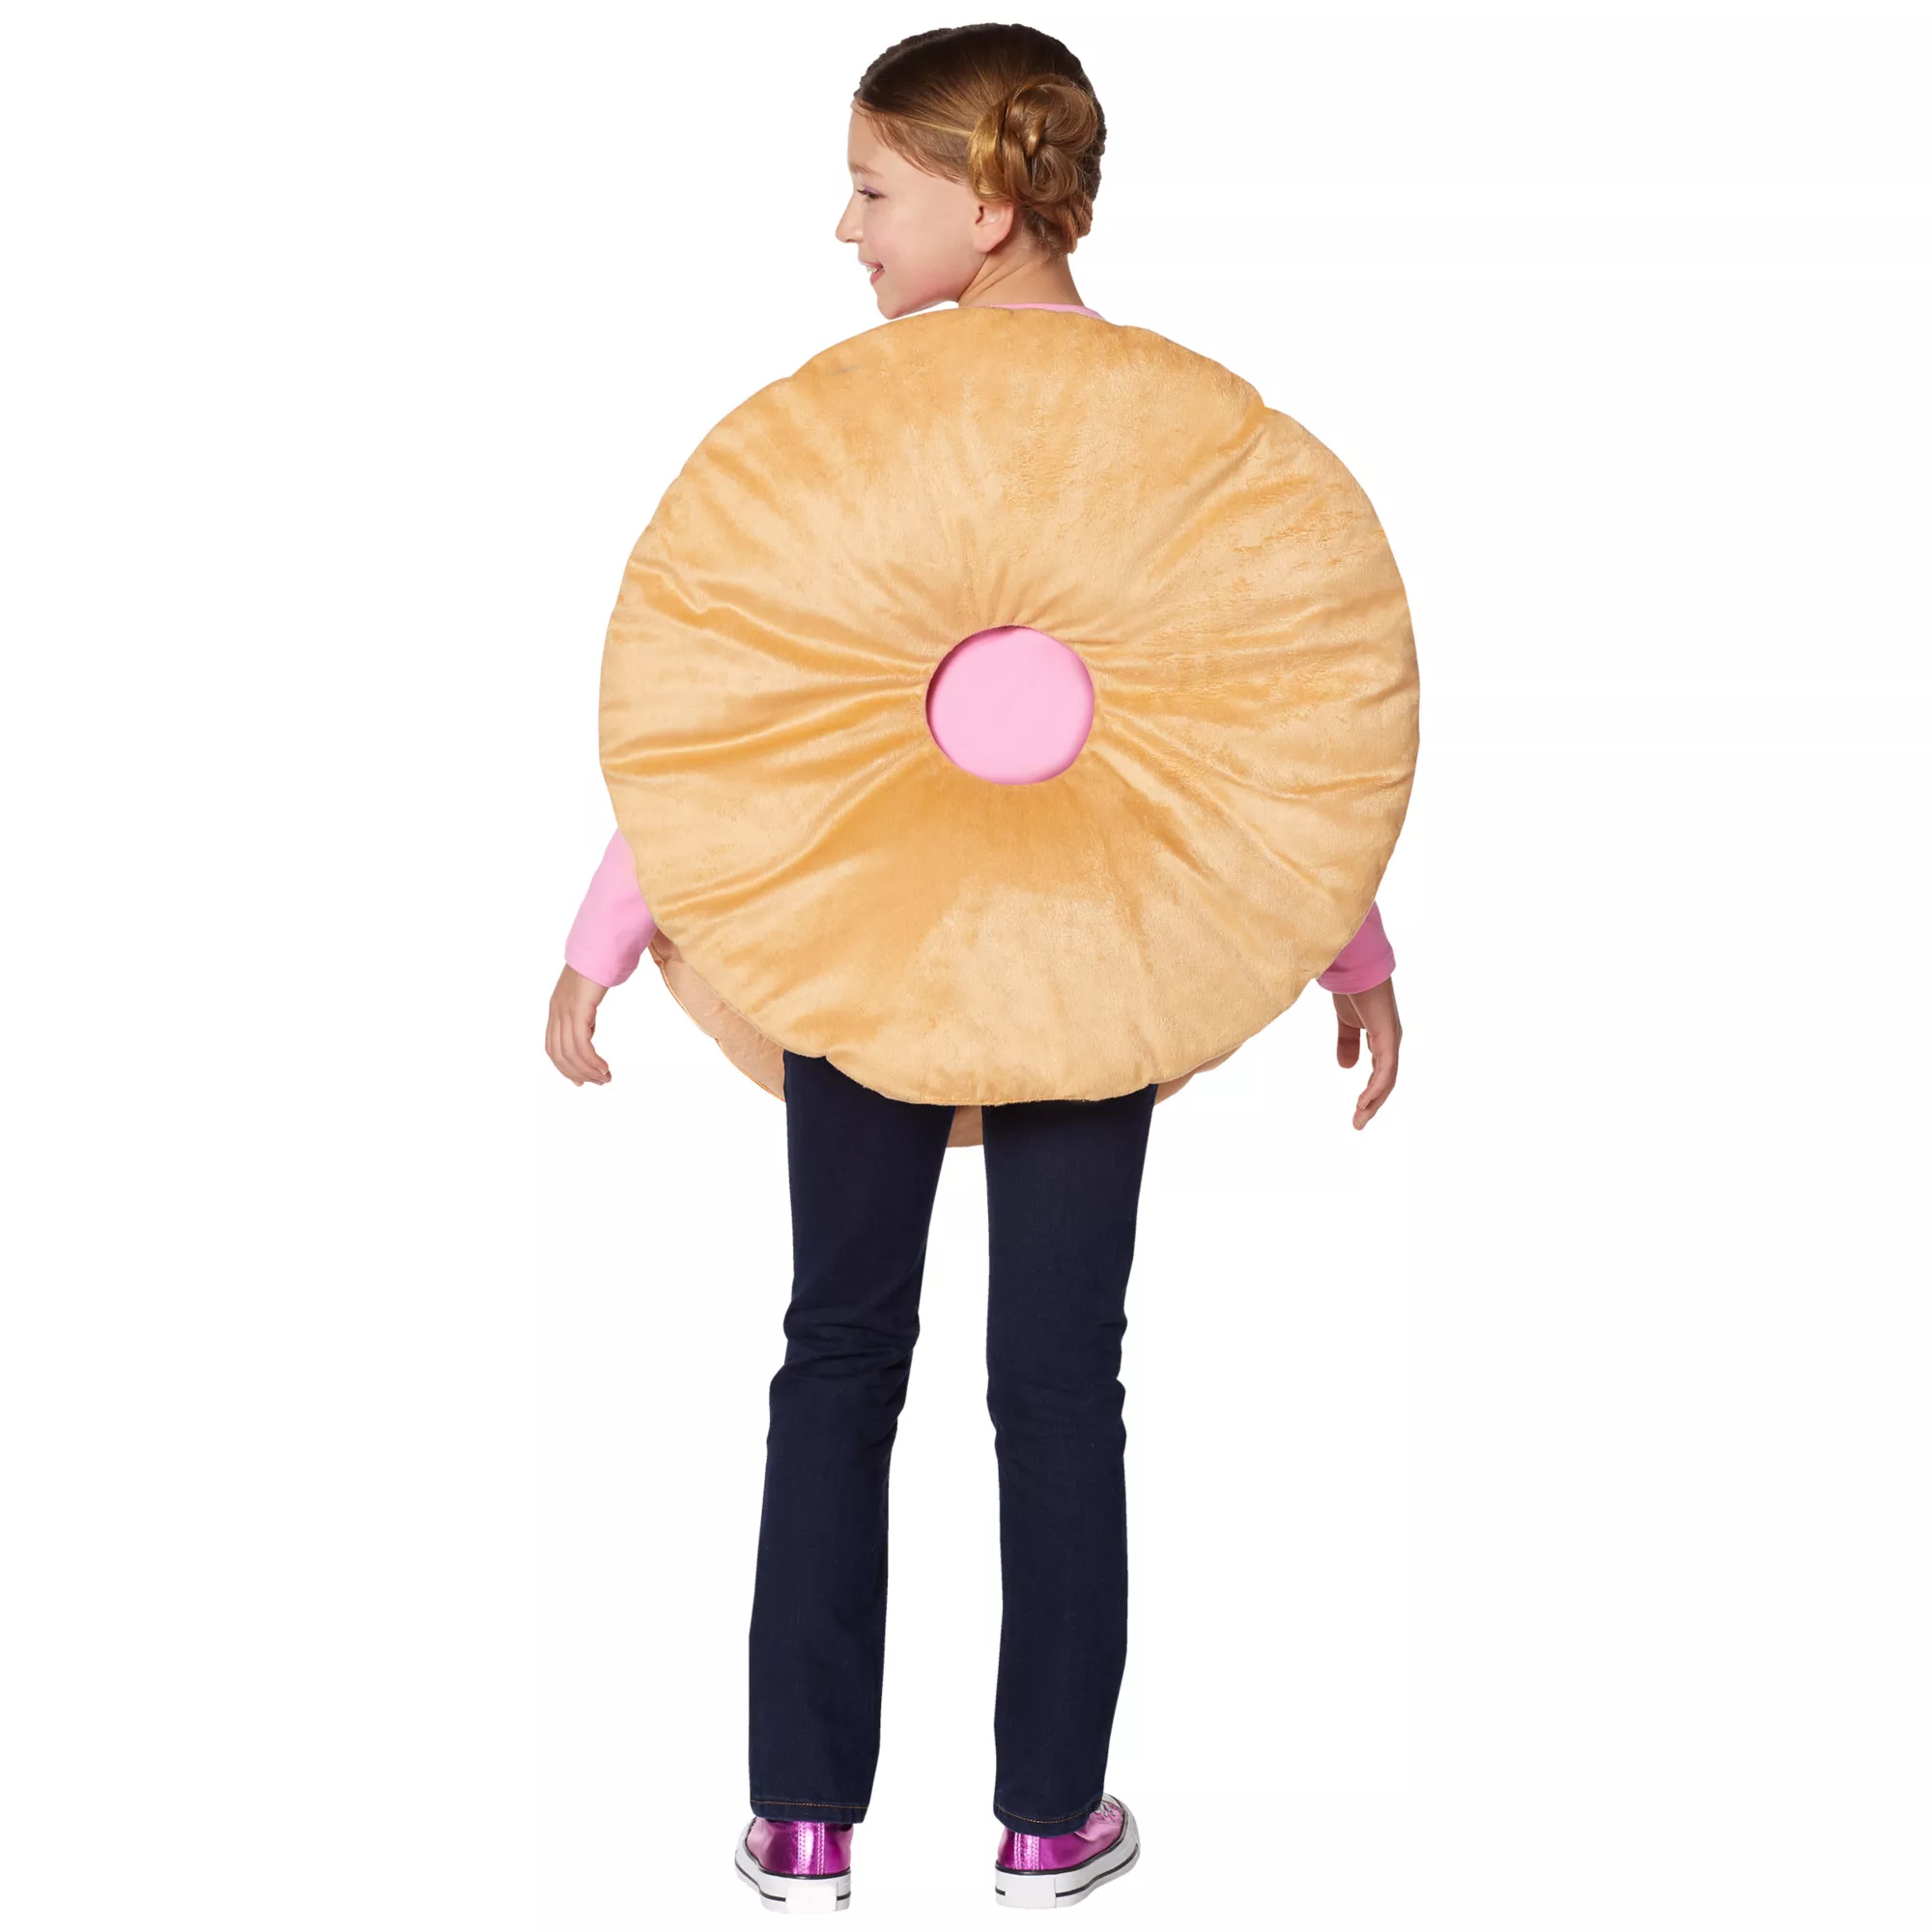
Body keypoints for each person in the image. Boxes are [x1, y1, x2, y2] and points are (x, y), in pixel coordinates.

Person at [544, 23, 1405, 1913]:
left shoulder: (868, 439)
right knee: (1058, 1379)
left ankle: (802, 1817)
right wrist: (1343, 945)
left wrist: (609, 933)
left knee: (839, 1355)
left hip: (881, 949)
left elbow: (754, 722)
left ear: (990, 200)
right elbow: (1260, 722)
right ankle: (1046, 1817)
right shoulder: (1160, 442)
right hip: (1094, 963)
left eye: (872, 189)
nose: (843, 228)